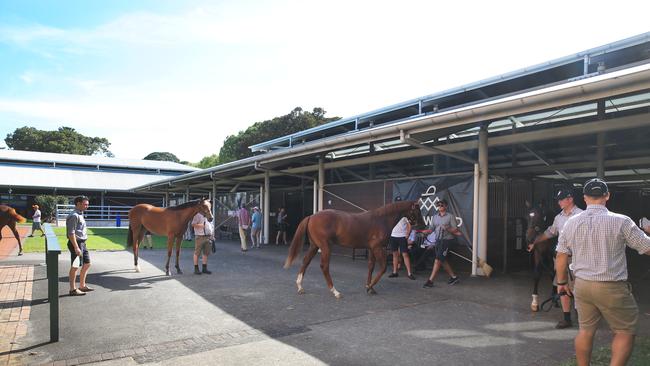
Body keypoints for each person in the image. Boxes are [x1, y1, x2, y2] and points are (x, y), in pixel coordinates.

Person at [556, 178, 650, 366]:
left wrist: (562, 284)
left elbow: (561, 256)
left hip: (581, 285)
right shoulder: (622, 221)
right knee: (625, 331)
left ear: (584, 198)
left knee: (585, 331)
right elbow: (647, 247)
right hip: (611, 287)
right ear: (607, 196)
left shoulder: (571, 223)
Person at [527, 188, 583, 329]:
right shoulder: (559, 218)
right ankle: (566, 318)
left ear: (570, 199)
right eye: (558, 199)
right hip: (562, 258)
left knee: (578, 289)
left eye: (561, 199)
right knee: (562, 287)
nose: (559, 202)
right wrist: (535, 242)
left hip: (578, 258)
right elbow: (550, 232)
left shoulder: (582, 215)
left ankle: (581, 317)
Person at [423, 199, 460, 288]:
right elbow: (431, 229)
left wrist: (447, 228)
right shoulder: (435, 217)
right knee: (442, 260)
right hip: (438, 240)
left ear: (446, 206)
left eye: (442, 205)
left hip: (447, 240)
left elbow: (455, 230)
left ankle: (430, 281)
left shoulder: (450, 216)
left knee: (438, 259)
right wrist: (425, 231)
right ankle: (454, 277)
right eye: (438, 205)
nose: (440, 206)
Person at [66, 196, 93, 296]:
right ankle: (72, 289)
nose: (87, 206)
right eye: (85, 204)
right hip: (76, 244)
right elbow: (71, 233)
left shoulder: (80, 214)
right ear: (78, 204)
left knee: (87, 264)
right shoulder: (74, 216)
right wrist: (76, 247)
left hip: (82, 243)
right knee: (75, 266)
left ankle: (82, 286)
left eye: (87, 204)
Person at [388, 215, 416, 280]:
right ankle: (395, 272)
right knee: (395, 254)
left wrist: (407, 234)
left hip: (402, 237)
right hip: (393, 236)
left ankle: (409, 273)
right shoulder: (392, 216)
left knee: (405, 254)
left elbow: (409, 225)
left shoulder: (404, 216)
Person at [191, 210, 214, 274]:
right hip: (200, 236)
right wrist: (200, 226)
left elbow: (211, 225)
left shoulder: (209, 215)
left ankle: (204, 268)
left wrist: (212, 235)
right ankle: (196, 268)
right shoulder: (197, 215)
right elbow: (193, 224)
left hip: (208, 236)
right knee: (197, 253)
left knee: (206, 253)